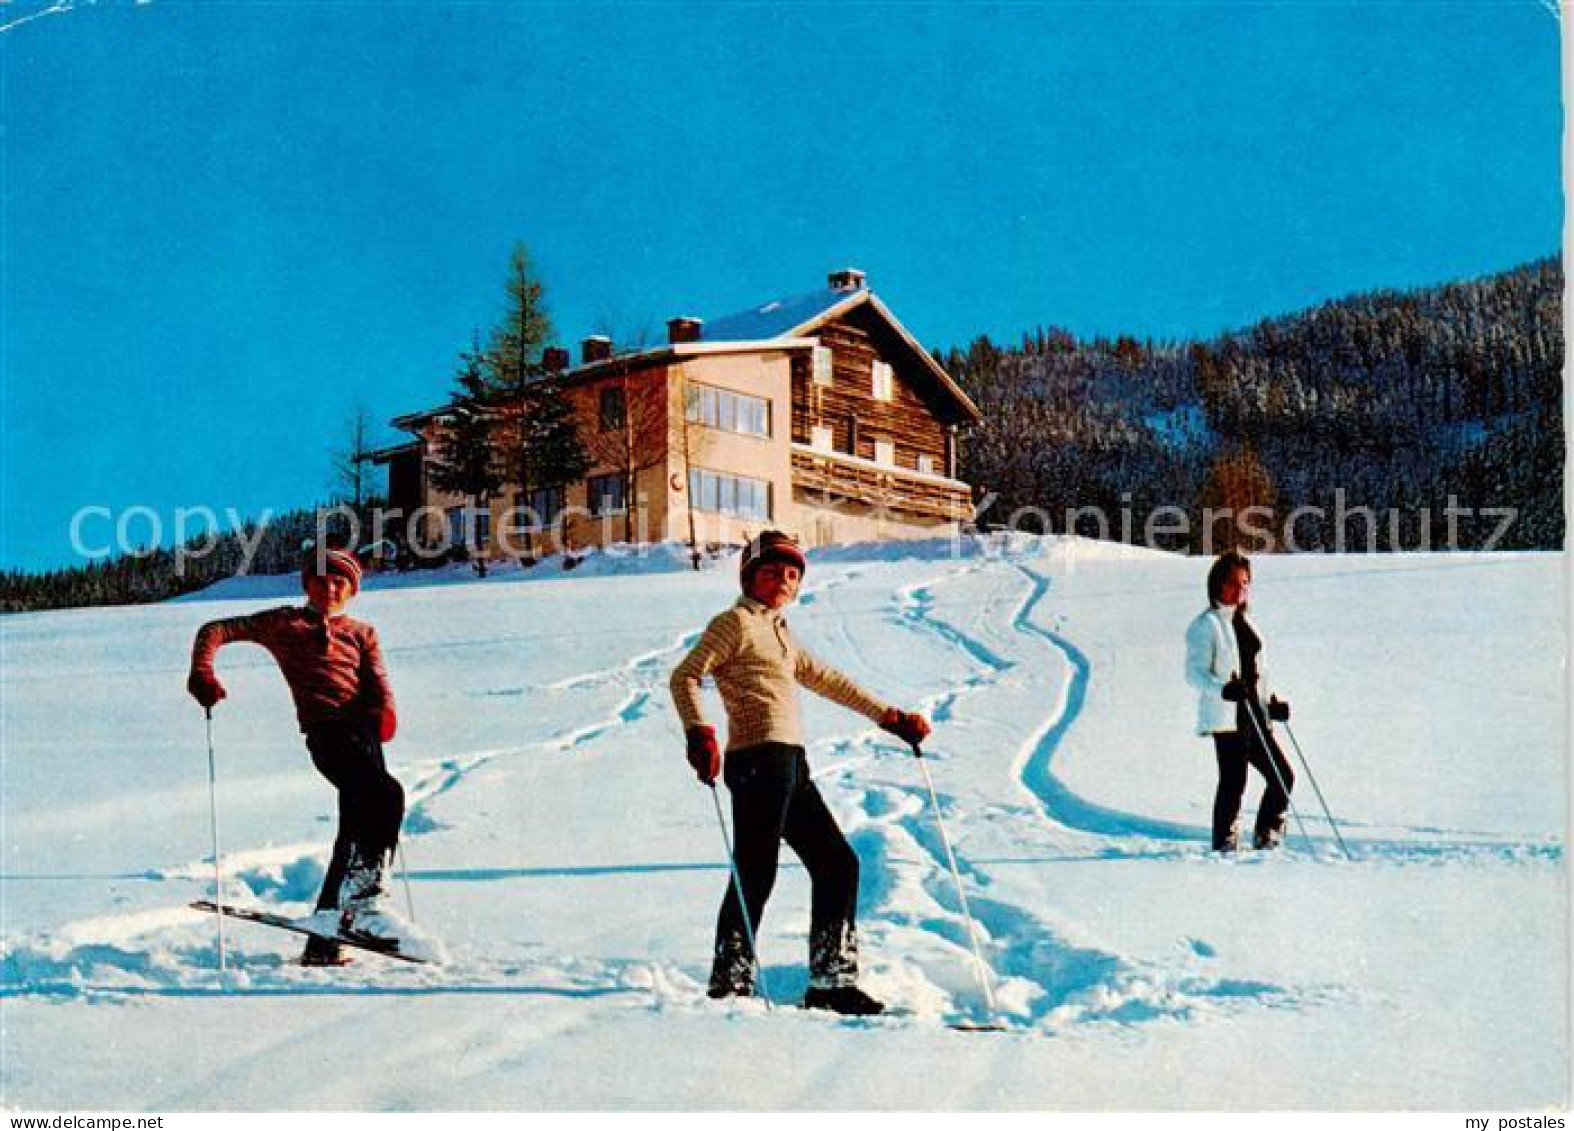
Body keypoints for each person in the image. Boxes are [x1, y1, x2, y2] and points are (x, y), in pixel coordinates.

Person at [669, 531, 931, 1016]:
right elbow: (684, 674)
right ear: (749, 576)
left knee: (838, 863)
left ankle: (832, 982)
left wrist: (889, 718)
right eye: (772, 571)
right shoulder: (735, 623)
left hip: (790, 762)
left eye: (792, 574)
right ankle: (730, 982)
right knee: (756, 869)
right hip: (756, 759)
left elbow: (830, 680)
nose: (783, 581)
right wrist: (698, 733)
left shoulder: (780, 631)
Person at [186, 544, 405, 965]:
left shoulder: (363, 633)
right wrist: (203, 672)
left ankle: (324, 944)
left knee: (355, 833)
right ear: (308, 584)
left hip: (365, 738)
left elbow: (378, 680)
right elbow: (215, 629)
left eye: (341, 580)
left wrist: (385, 711)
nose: (332, 587)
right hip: (328, 734)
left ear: (353, 590)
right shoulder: (284, 623)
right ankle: (364, 903)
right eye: (322, 579)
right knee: (388, 795)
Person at [1184, 549, 1295, 852]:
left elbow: (1259, 671)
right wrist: (1223, 690)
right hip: (1227, 718)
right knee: (1234, 782)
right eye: (1233, 583)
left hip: (1255, 716)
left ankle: (1267, 833)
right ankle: (1225, 841)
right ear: (1218, 585)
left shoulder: (1248, 623)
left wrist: (1272, 704)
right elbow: (1193, 674)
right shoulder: (1206, 625)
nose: (1240, 589)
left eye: (1245, 583)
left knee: (1283, 776)